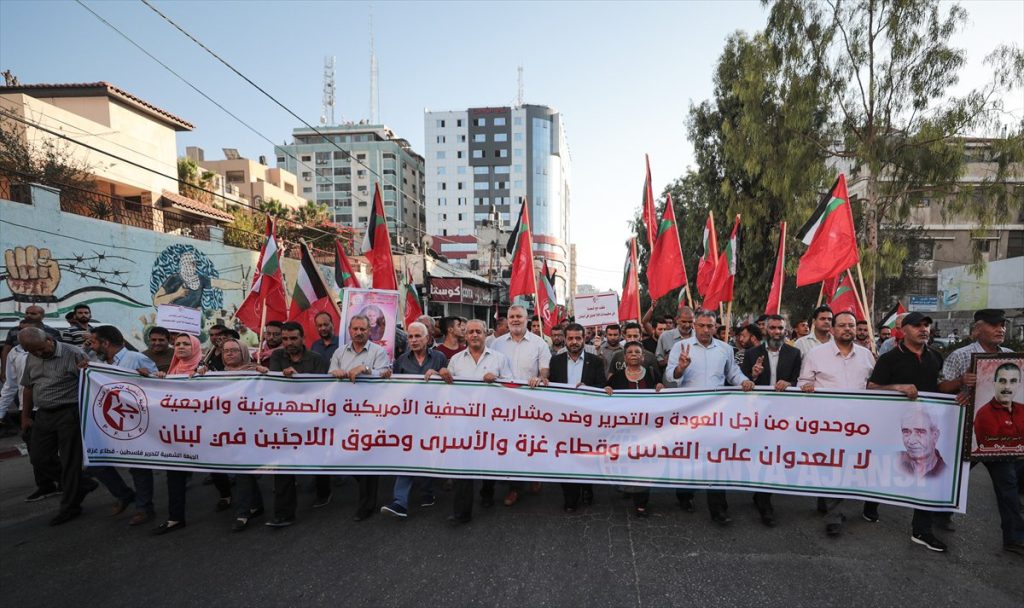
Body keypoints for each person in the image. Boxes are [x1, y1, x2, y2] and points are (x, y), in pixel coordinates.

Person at [938, 309, 1023, 556]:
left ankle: (1015, 537)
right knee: (955, 478)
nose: (1001, 329)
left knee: (1008, 486)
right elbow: (941, 386)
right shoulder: (961, 355)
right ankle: (939, 515)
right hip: (968, 433)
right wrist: (961, 382)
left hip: (1000, 438)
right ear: (977, 329)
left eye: (1003, 325)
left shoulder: (1010, 357)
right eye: (994, 325)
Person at [866, 311, 951, 552]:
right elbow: (871, 388)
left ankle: (922, 530)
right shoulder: (889, 358)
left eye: (926, 326)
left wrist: (960, 386)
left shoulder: (936, 356)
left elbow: (940, 388)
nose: (923, 329)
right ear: (903, 330)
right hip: (891, 424)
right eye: (917, 326)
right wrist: (898, 387)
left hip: (923, 427)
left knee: (926, 474)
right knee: (883, 468)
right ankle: (871, 503)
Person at [665, 310, 755, 524]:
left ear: (716, 327)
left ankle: (719, 510)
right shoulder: (680, 348)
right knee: (688, 456)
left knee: (716, 459)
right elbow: (669, 377)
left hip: (716, 413)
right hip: (689, 413)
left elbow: (732, 373)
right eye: (702, 325)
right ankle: (685, 495)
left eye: (710, 326)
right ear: (694, 325)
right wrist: (680, 368)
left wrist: (744, 381)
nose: (706, 330)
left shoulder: (725, 349)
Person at [798, 310, 876, 536]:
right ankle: (832, 511)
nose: (848, 329)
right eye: (842, 325)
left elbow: (873, 386)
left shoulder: (866, 356)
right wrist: (806, 386)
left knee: (847, 466)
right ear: (832, 329)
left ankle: (832, 505)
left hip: (857, 424)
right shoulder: (816, 354)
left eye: (851, 325)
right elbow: (804, 381)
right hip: (827, 423)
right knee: (831, 465)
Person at [17, 327, 95, 525]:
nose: (40, 354)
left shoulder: (73, 353)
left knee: (70, 462)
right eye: (34, 352)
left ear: (50, 339)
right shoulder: (32, 357)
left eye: (42, 349)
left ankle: (70, 507)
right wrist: (25, 417)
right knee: (39, 458)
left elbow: (91, 383)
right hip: (43, 414)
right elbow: (28, 387)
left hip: (69, 412)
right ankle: (82, 484)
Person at [441, 319, 512, 524]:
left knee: (487, 460)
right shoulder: (455, 359)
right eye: (470, 332)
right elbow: (445, 384)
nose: (474, 335)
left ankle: (487, 492)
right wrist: (442, 373)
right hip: (463, 419)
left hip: (490, 419)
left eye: (478, 332)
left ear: (485, 334)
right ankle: (461, 512)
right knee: (463, 466)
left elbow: (510, 384)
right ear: (466, 336)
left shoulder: (499, 359)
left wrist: (497, 378)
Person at [194, 338, 268, 531]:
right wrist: (201, 376)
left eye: (233, 350)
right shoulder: (215, 376)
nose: (228, 353)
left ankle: (243, 513)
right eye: (225, 350)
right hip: (226, 430)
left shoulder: (255, 372)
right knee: (244, 470)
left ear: (242, 352)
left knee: (242, 469)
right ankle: (256, 505)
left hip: (248, 430)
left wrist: (264, 373)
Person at [89, 325, 159, 526]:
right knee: (97, 463)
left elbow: (160, 387)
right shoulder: (99, 363)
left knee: (138, 466)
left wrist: (149, 376)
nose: (91, 346)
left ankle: (144, 508)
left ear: (106, 343)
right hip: (108, 420)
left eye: (94, 342)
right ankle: (125, 494)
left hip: (134, 421)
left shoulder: (136, 359)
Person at [262, 322, 330, 528]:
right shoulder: (277, 357)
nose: (288, 343)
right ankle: (284, 513)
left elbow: (323, 390)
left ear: (302, 339)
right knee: (283, 467)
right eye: (285, 339)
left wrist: (299, 380)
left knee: (319, 460)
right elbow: (274, 387)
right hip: (286, 423)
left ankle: (324, 490)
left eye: (293, 338)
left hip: (313, 421)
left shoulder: (317, 360)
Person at [380, 321, 448, 519]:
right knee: (407, 455)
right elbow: (394, 389)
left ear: (427, 339)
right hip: (408, 418)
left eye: (418, 336)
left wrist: (438, 374)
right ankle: (399, 502)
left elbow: (449, 383)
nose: (414, 340)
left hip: (432, 417)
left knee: (426, 455)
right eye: (410, 337)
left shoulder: (439, 357)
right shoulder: (401, 360)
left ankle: (427, 493)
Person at [740, 314, 802, 527]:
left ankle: (764, 496)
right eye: (773, 328)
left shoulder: (794, 353)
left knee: (775, 455)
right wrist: (754, 376)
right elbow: (743, 381)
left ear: (786, 330)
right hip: (758, 413)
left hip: (783, 415)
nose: (776, 331)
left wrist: (790, 383)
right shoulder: (751, 353)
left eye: (780, 328)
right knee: (760, 454)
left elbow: (799, 380)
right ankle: (763, 500)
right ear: (766, 330)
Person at [330, 315, 393, 522]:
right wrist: (336, 373)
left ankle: (366, 505)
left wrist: (366, 369)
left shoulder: (378, 352)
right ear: (349, 330)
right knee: (348, 456)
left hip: (370, 413)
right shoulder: (339, 352)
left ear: (369, 331)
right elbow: (328, 376)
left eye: (363, 329)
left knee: (367, 459)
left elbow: (385, 373)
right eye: (355, 329)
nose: (358, 332)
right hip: (345, 413)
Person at [489, 305, 551, 506]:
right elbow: (490, 368)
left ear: (527, 319)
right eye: (512, 317)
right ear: (507, 320)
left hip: (530, 402)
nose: (515, 320)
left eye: (519, 316)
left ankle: (534, 474)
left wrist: (540, 378)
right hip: (503, 403)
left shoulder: (539, 343)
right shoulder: (496, 344)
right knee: (511, 445)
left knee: (530, 441)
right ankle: (514, 487)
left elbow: (545, 370)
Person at [2, 321, 62, 502]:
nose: (22, 335)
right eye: (20, 332)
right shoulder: (15, 353)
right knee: (35, 453)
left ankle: (71, 482)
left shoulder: (53, 351)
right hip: (27, 409)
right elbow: (11, 385)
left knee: (58, 450)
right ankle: (46, 486)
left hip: (53, 407)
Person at [549, 323, 606, 512]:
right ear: (565, 339)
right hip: (563, 420)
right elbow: (550, 389)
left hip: (587, 420)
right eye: (571, 338)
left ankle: (587, 488)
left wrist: (589, 390)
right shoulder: (555, 361)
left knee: (586, 457)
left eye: (578, 338)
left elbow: (602, 387)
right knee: (566, 458)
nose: (574, 342)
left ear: (584, 339)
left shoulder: (595, 361)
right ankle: (570, 497)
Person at [605, 341, 665, 517]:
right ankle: (627, 488)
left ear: (643, 356)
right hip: (624, 431)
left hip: (647, 430)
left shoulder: (653, 374)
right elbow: (605, 396)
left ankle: (641, 502)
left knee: (644, 464)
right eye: (629, 352)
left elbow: (661, 393)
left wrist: (660, 387)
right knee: (627, 462)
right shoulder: (616, 376)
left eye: (637, 352)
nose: (633, 354)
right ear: (624, 357)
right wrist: (606, 389)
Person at [1, 305, 62, 383]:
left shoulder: (52, 332)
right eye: (27, 313)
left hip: (43, 370)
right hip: (17, 369)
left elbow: (58, 351)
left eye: (33, 314)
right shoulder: (14, 331)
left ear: (42, 316)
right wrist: (4, 370)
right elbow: (6, 350)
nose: (28, 315)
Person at [973, 362, 1024, 453]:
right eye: (1002, 381)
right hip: (1001, 460)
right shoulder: (984, 414)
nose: (1007, 387)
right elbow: (992, 449)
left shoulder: (1022, 409)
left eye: (1013, 381)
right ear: (994, 383)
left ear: (1019, 384)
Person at [656, 307, 695, 383]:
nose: (687, 325)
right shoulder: (665, 336)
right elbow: (658, 361)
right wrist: (669, 359)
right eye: (684, 321)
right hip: (671, 383)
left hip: (693, 383)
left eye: (690, 322)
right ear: (677, 320)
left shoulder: (699, 337)